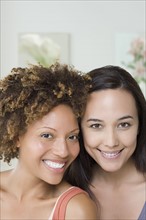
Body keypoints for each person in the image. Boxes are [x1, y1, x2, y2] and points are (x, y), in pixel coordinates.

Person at [0, 63, 98, 220]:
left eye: (72, 137)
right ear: (17, 136)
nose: (64, 151)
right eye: (47, 135)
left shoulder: (76, 210)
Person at [80, 65, 146, 220]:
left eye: (124, 125)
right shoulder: (62, 191)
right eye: (96, 126)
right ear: (79, 129)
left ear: (139, 125)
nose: (111, 142)